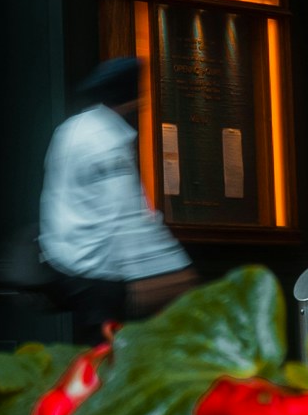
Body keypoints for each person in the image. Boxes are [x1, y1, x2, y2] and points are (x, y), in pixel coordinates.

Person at [38, 56, 194, 345]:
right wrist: (167, 263)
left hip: (66, 260)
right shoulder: (108, 142)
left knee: (93, 353)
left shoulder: (71, 129)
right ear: (130, 99)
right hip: (100, 271)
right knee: (108, 354)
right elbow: (124, 212)